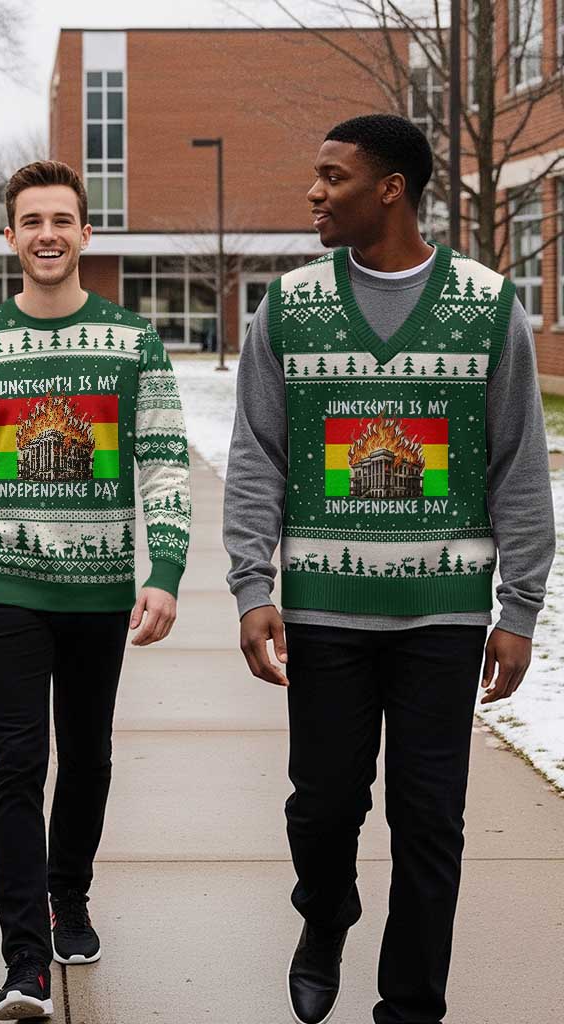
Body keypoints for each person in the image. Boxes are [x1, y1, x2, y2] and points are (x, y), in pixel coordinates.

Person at [224, 113, 555, 1024]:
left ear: (391, 189)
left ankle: (410, 1006)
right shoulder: (289, 306)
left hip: (444, 617)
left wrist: (520, 609)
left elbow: (517, 464)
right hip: (325, 612)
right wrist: (252, 585)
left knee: (430, 820)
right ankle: (326, 912)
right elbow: (257, 455)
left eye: (333, 177)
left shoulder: (486, 305)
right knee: (322, 808)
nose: (314, 192)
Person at [0, 160, 192, 1021]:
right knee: (16, 760)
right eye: (32, 221)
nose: (47, 234)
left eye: (62, 220)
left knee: (88, 753)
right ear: (10, 236)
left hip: (99, 587)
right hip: (2, 581)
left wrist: (165, 570)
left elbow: (164, 461)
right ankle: (25, 962)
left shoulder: (132, 342)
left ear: (86, 232)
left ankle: (67, 894)